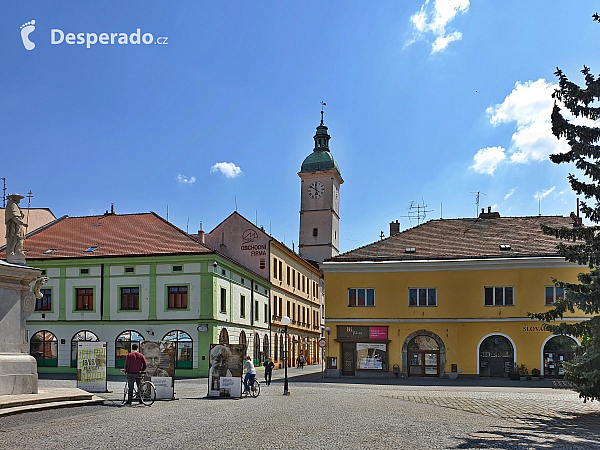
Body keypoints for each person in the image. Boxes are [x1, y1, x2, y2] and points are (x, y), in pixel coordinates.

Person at [4, 194, 27, 261]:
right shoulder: (11, 204)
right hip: (14, 226)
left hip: (18, 226)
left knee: (19, 238)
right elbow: (14, 216)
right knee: (14, 238)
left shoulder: (16, 205)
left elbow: (18, 215)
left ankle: (18, 251)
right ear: (14, 198)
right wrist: (22, 223)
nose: (19, 200)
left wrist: (21, 214)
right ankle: (12, 252)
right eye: (18, 198)